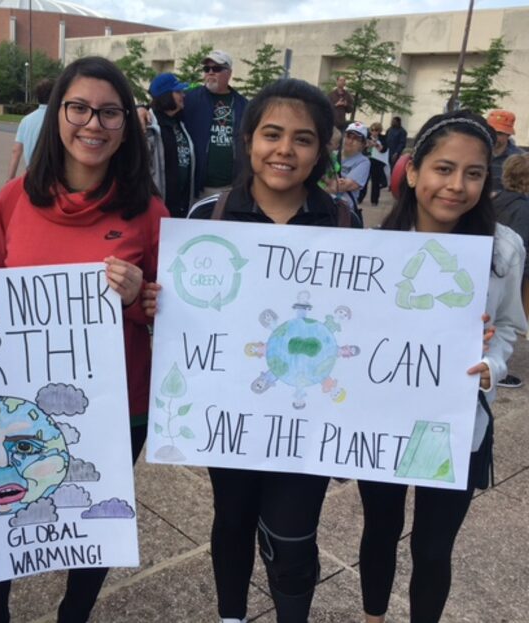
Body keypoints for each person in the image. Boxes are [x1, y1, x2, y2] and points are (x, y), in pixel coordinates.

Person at [144, 77, 356, 623]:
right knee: (232, 519)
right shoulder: (206, 217)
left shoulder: (342, 222)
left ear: (320, 150)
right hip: (230, 410)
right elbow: (183, 314)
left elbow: (361, 319)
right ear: (248, 140)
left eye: (303, 139)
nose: (285, 150)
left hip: (305, 416)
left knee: (294, 533)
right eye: (272, 134)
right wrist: (157, 309)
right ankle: (231, 615)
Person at [0, 56, 168, 623]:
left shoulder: (149, 212)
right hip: (17, 404)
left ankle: (74, 614)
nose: (94, 123)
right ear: (56, 112)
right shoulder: (14, 200)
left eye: (110, 112)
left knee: (93, 522)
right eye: (80, 107)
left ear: (126, 125)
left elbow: (172, 319)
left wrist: (139, 296)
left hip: (115, 407)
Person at [357, 110, 528, 623]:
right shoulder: (373, 251)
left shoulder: (504, 248)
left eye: (473, 173)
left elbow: (511, 325)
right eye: (443, 169)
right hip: (383, 421)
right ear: (412, 172)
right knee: (380, 531)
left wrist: (490, 362)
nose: (456, 186)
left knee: (433, 549)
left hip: (458, 424)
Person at [491, 152, 529, 389]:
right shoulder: (521, 206)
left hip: (493, 265)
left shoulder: (499, 198)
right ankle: (497, 371)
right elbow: (520, 243)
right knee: (505, 320)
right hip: (508, 268)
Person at [182, 50, 249, 199]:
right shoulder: (190, 98)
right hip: (197, 187)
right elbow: (161, 108)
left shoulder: (243, 105)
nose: (210, 72)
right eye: (207, 69)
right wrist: (142, 109)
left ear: (229, 73)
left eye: (217, 69)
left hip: (231, 188)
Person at [144, 72, 195, 217]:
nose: (183, 95)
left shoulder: (180, 122)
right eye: (178, 92)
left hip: (181, 207)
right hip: (156, 208)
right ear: (165, 95)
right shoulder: (149, 125)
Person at [486, 109, 529, 205]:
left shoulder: (522, 160)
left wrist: (503, 196)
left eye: (499, 133)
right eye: (491, 132)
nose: (493, 137)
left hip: (506, 213)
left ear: (508, 135)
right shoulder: (476, 153)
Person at [7, 78, 54, 180]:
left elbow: (16, 151)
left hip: (32, 176)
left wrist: (9, 180)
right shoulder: (58, 119)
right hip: (54, 178)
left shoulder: (26, 120)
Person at [325, 120, 370, 224]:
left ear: (363, 144)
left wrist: (323, 183)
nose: (350, 140)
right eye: (348, 136)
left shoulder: (363, 162)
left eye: (356, 138)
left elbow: (339, 187)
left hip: (343, 211)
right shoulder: (333, 154)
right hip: (323, 205)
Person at [365, 121, 390, 207]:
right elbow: (363, 148)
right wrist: (368, 145)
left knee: (375, 182)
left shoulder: (382, 139)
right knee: (364, 180)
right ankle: (360, 197)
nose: (374, 132)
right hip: (367, 159)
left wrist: (376, 144)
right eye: (372, 130)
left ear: (379, 131)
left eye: (376, 130)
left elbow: (384, 149)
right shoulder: (367, 137)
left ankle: (374, 200)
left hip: (377, 161)